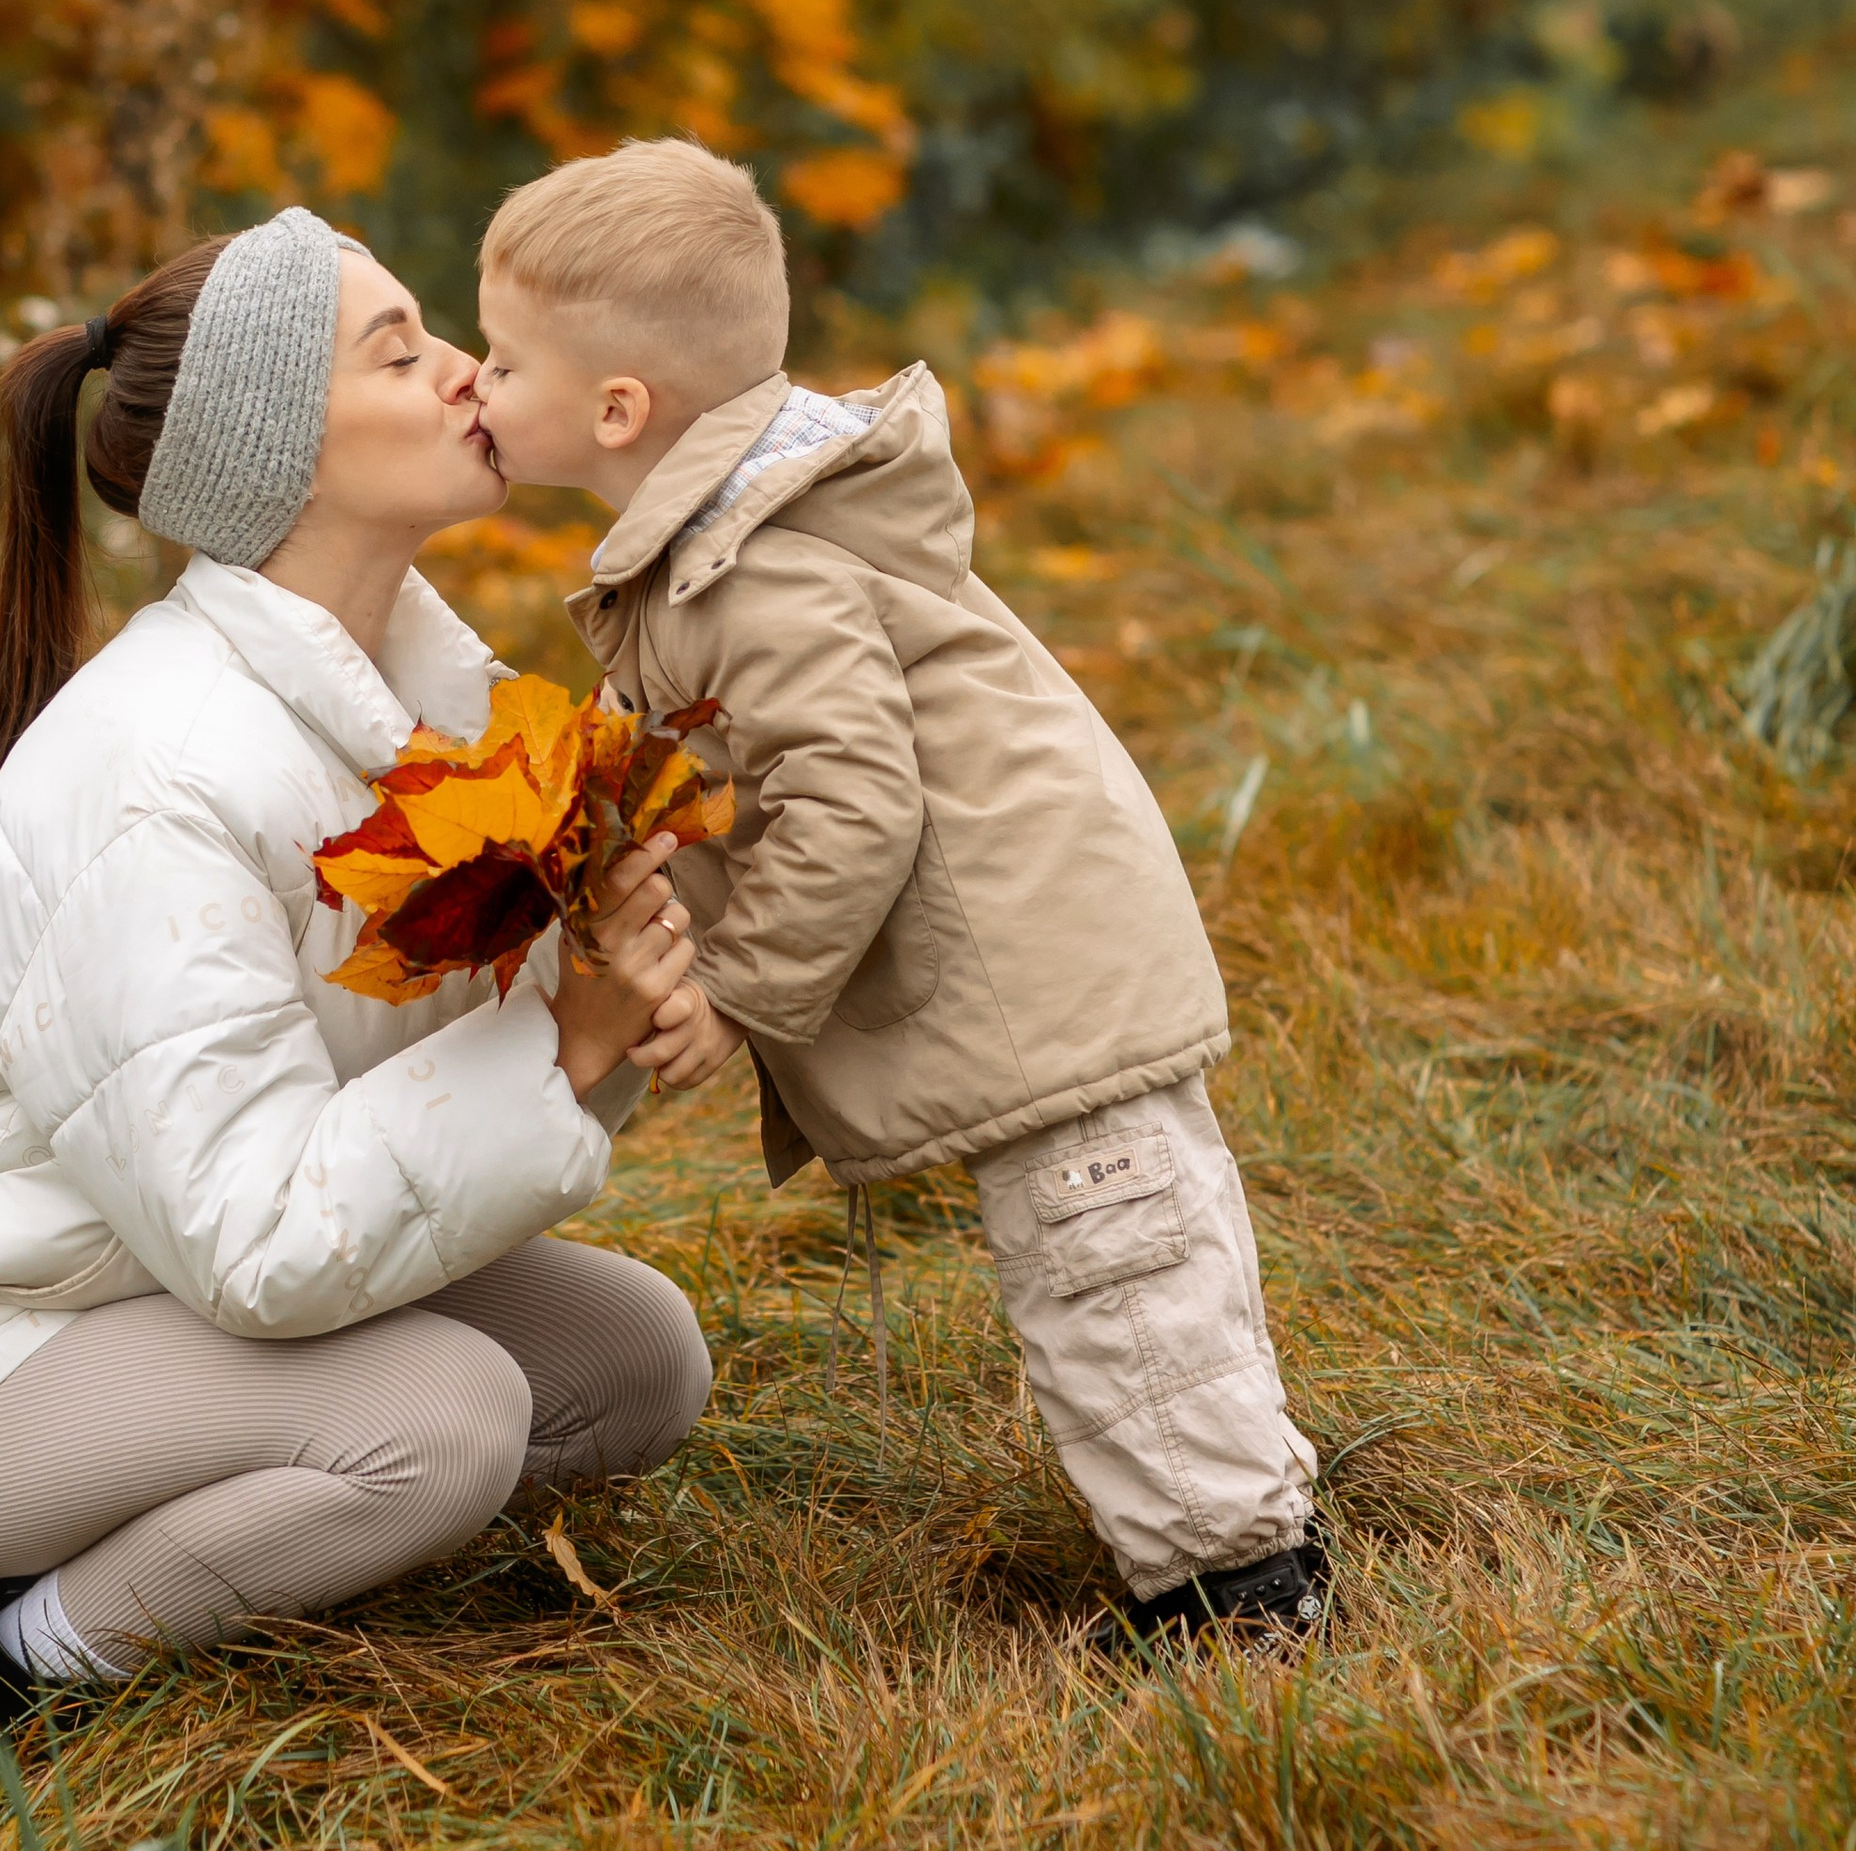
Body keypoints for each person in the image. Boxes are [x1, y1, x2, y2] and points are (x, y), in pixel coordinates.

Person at [0, 209, 712, 1828]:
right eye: (400, 350)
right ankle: (14, 1664)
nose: (465, 371)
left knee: (637, 1366)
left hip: (129, 1279)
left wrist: (620, 1010)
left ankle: (163, 1511)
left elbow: (433, 1094)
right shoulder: (160, 771)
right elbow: (261, 1240)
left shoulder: (419, 703)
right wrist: (564, 1045)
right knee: (445, 1427)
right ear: (278, 458)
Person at [470, 142, 1325, 1653]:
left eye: (502, 358)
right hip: (1030, 964)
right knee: (1137, 1252)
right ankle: (1235, 1537)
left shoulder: (761, 572)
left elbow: (854, 800)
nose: (477, 384)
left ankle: (1243, 1597)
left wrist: (739, 987)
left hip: (1031, 978)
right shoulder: (724, 544)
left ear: (618, 410)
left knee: (1114, 1273)